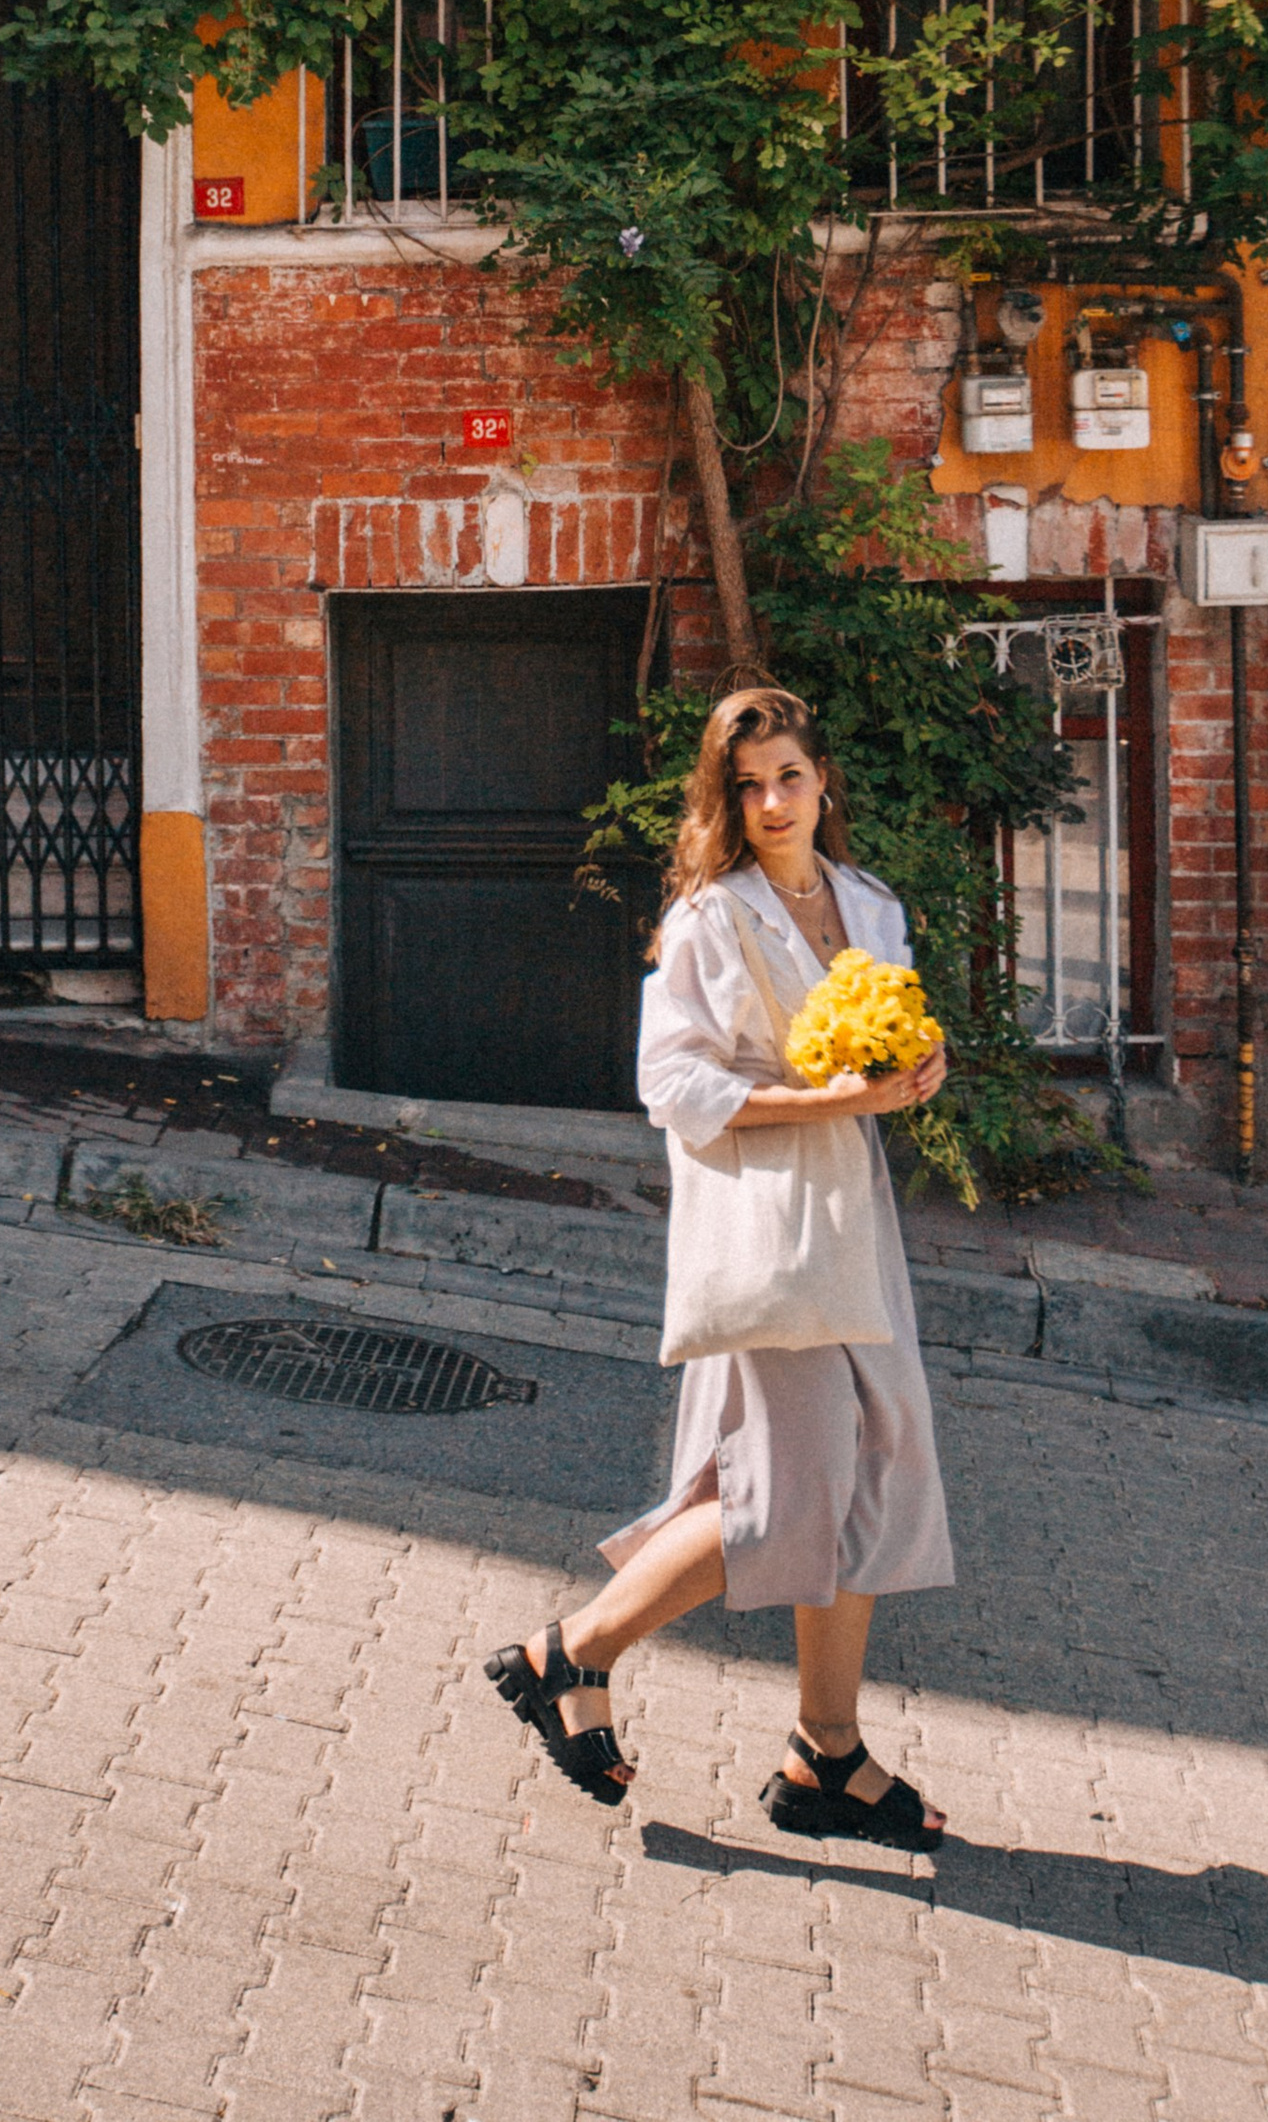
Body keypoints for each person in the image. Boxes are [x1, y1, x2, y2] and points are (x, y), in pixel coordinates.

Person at [486, 684, 953, 1845]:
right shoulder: (708, 919)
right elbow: (675, 1086)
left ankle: (823, 1757)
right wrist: (817, 1098)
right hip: (768, 1224)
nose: (772, 802)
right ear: (726, 804)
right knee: (785, 1488)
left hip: (852, 1214)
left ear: (820, 779)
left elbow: (888, 1035)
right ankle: (571, 1653)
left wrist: (918, 1063)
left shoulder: (869, 905)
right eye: (747, 788)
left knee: (876, 1468)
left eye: (788, 776)